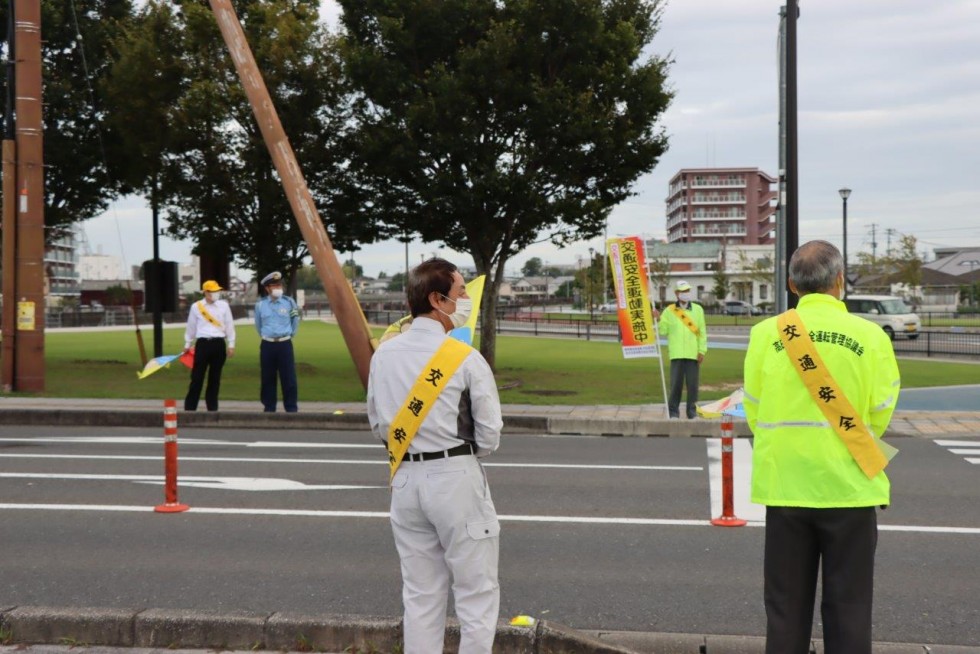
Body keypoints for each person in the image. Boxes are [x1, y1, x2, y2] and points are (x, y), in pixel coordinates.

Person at [743, 240, 901, 654]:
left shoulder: (764, 335)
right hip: (849, 488)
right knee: (849, 605)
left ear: (792, 285)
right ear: (839, 281)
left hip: (785, 487)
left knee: (784, 608)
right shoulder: (870, 336)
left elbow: (754, 410)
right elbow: (881, 410)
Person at [366, 258, 502, 654]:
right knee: (476, 591)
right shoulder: (463, 357)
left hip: (405, 479)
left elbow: (379, 425)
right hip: (455, 475)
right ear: (437, 299)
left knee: (421, 593)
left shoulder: (384, 355)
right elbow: (490, 434)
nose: (463, 301)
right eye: (459, 294)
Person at [652, 280, 707, 419]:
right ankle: (674, 412)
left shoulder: (698, 310)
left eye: (687, 291)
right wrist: (658, 319)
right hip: (676, 354)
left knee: (692, 385)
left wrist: (702, 350)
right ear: (677, 293)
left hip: (693, 354)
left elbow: (702, 332)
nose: (685, 294)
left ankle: (692, 411)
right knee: (676, 385)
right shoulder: (670, 311)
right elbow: (663, 331)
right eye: (682, 291)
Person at [183, 280, 236, 412]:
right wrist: (187, 343)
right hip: (202, 344)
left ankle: (212, 408)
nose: (216, 294)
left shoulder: (224, 306)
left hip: (218, 344)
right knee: (197, 378)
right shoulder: (196, 306)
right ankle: (190, 408)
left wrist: (231, 344)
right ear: (206, 292)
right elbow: (191, 327)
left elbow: (229, 325)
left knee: (215, 378)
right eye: (213, 291)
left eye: (217, 291)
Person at [254, 271, 300, 412]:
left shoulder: (289, 302)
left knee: (289, 378)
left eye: (279, 285)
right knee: (267, 378)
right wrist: (268, 336)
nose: (278, 288)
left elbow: (295, 321)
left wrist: (288, 335)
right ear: (267, 288)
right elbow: (258, 325)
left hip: (284, 344)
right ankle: (269, 407)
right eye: (274, 286)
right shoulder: (260, 305)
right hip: (267, 344)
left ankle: (291, 408)